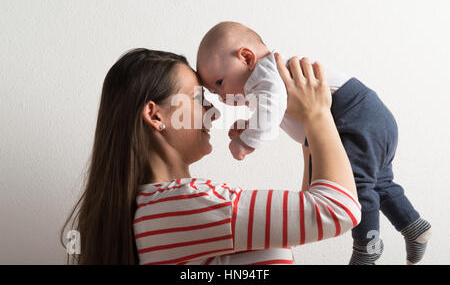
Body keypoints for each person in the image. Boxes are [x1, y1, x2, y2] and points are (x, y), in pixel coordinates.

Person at [61, 47, 360, 265]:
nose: (214, 111)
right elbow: (338, 210)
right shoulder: (187, 203)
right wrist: (318, 113)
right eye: (198, 99)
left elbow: (309, 210)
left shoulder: (159, 208)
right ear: (155, 116)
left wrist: (307, 127)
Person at [196, 21, 431, 265]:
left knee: (358, 185)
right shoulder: (266, 82)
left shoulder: (266, 72)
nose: (220, 96)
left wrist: (245, 142)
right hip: (368, 117)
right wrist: (248, 125)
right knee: (379, 182)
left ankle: (367, 245)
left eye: (219, 83)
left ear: (246, 57)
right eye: (213, 91)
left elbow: (269, 113)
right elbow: (275, 112)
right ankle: (414, 226)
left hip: (356, 116)